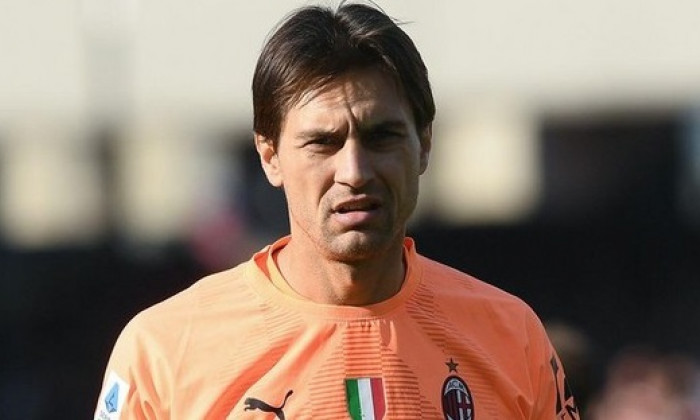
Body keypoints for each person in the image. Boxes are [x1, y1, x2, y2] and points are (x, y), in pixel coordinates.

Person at [95, 2, 580, 419]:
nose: (354, 170)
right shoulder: (164, 349)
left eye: (381, 137)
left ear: (425, 144)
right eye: (322, 142)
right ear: (270, 156)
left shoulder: (511, 336)